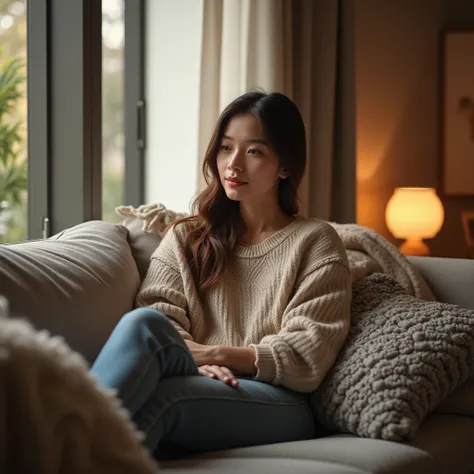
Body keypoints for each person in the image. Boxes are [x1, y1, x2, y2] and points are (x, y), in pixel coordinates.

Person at [90, 91, 352, 459]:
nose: (234, 164)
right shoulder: (187, 235)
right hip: (197, 374)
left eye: (254, 151)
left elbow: (306, 355)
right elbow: (160, 312)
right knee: (144, 324)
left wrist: (216, 354)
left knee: (166, 400)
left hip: (280, 400)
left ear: (285, 166)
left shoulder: (316, 242)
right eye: (226, 148)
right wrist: (197, 360)